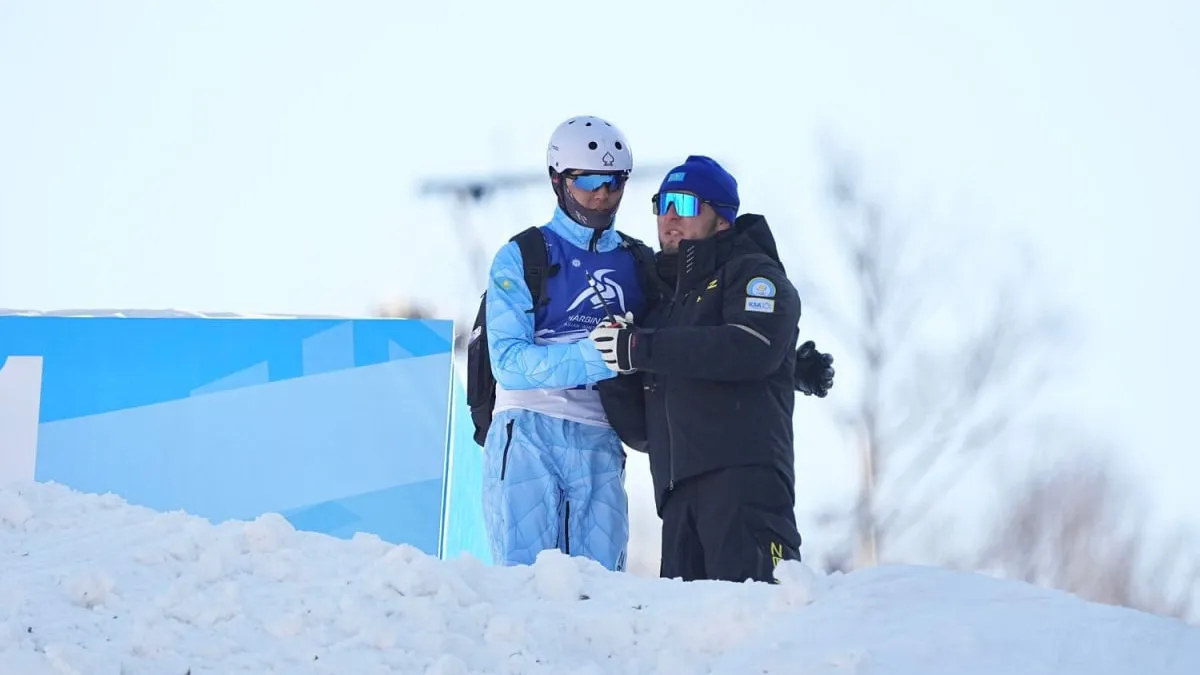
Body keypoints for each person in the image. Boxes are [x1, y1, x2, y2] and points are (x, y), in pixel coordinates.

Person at [590, 154, 822, 583]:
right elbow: (642, 432)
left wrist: (640, 347)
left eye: (687, 203)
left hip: (744, 488)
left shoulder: (754, 275)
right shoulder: (664, 309)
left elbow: (748, 347)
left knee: (755, 629)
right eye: (663, 203)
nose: (670, 216)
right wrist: (615, 368)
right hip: (678, 504)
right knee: (689, 641)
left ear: (722, 220)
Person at [476, 115, 656, 572]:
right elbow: (509, 362)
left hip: (601, 433)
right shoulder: (524, 255)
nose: (602, 194)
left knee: (602, 590)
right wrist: (601, 355)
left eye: (615, 182)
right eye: (589, 181)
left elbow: (687, 334)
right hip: (528, 429)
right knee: (525, 584)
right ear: (558, 181)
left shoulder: (638, 261)